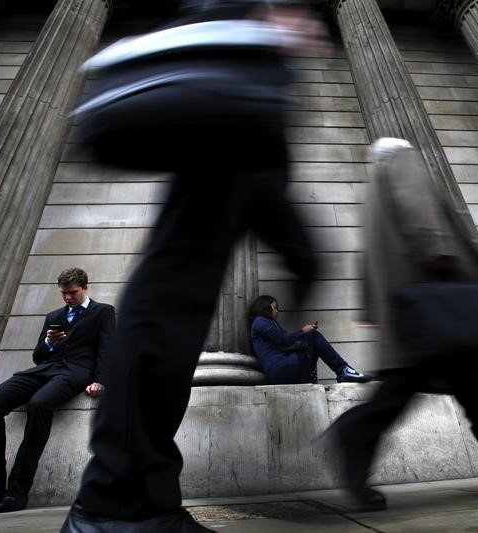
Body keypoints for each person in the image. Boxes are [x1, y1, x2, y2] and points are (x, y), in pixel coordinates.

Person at [61, 2, 327, 531]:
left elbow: (264, 186)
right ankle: (110, 514)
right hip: (172, 282)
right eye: (301, 14)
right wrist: (306, 263)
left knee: (161, 381)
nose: (313, 29)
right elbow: (268, 187)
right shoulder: (242, 63)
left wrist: (305, 261)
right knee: (150, 372)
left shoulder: (249, 82)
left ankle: (142, 509)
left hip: (184, 279)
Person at [326, 138, 478, 511]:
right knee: (409, 387)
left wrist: (370, 310)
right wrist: (438, 251)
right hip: (430, 296)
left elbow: (364, 257)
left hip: (406, 307)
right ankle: (353, 433)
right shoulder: (402, 157)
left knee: (471, 386)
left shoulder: (372, 190)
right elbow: (420, 210)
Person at [0, 267, 115, 515]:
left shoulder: (103, 312)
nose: (68, 298)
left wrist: (101, 380)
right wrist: (49, 342)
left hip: (75, 372)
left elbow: (107, 348)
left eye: (72, 293)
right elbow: (38, 357)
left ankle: (17, 490)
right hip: (44, 370)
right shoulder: (54, 316)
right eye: (63, 294)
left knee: (39, 404)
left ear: (85, 287)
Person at [248, 295, 370, 384]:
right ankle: (343, 370)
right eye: (274, 307)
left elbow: (285, 344)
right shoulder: (259, 321)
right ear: (265, 306)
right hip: (280, 370)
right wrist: (304, 331)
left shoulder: (268, 323)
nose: (277, 310)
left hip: (283, 369)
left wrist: (304, 340)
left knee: (313, 342)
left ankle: (341, 371)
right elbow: (283, 341)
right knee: (313, 335)